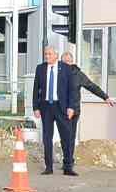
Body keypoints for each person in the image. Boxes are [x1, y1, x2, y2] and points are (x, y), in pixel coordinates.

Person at [32, 46, 110, 177]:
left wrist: (71, 107)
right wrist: (36, 107)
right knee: (47, 137)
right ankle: (48, 167)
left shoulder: (66, 69)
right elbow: (36, 88)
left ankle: (68, 166)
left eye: (49, 54)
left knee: (67, 137)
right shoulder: (40, 68)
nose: (47, 56)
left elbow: (72, 90)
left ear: (56, 55)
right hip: (46, 107)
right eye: (46, 54)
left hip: (61, 107)